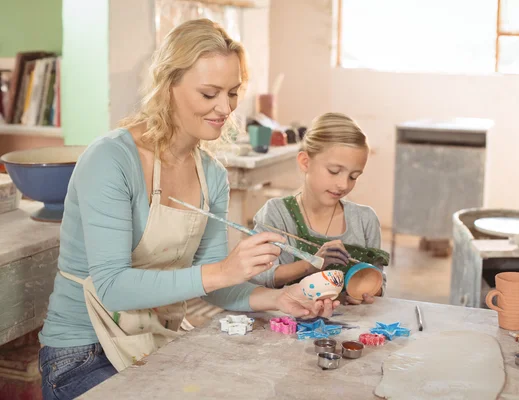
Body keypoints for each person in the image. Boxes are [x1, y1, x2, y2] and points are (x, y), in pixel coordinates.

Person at [37, 19, 338, 400]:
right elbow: (112, 287)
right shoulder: (111, 159)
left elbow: (216, 290)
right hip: (82, 355)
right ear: (168, 86)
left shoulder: (210, 174)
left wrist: (281, 299)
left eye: (232, 93)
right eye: (209, 93)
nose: (225, 107)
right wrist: (224, 270)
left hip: (154, 344)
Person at [251, 112, 389, 305]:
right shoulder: (277, 214)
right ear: (305, 162)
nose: (343, 184)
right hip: (289, 326)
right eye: (334, 171)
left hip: (350, 327)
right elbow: (260, 276)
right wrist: (310, 265)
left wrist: (368, 292)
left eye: (353, 176)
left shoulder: (365, 219)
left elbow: (378, 280)